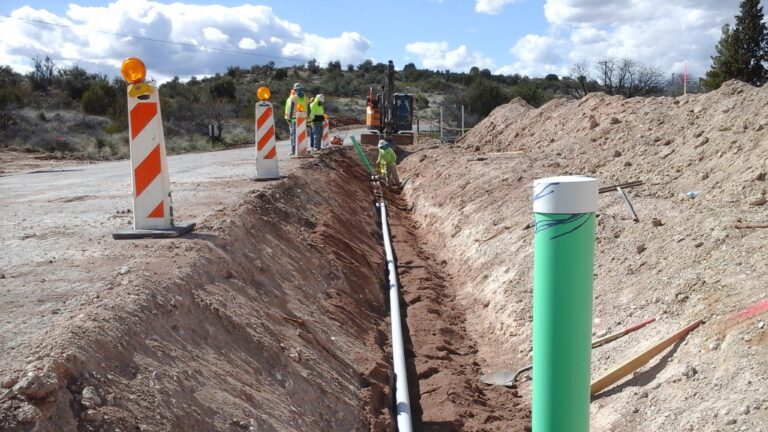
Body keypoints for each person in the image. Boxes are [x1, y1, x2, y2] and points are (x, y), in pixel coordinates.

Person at [284, 83, 309, 155]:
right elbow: (309, 110)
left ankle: (293, 151)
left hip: (294, 120)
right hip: (303, 119)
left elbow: (291, 109)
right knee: (303, 135)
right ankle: (303, 150)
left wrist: (289, 118)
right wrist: (307, 117)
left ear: (295, 90)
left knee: (294, 135)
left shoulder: (293, 98)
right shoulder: (306, 98)